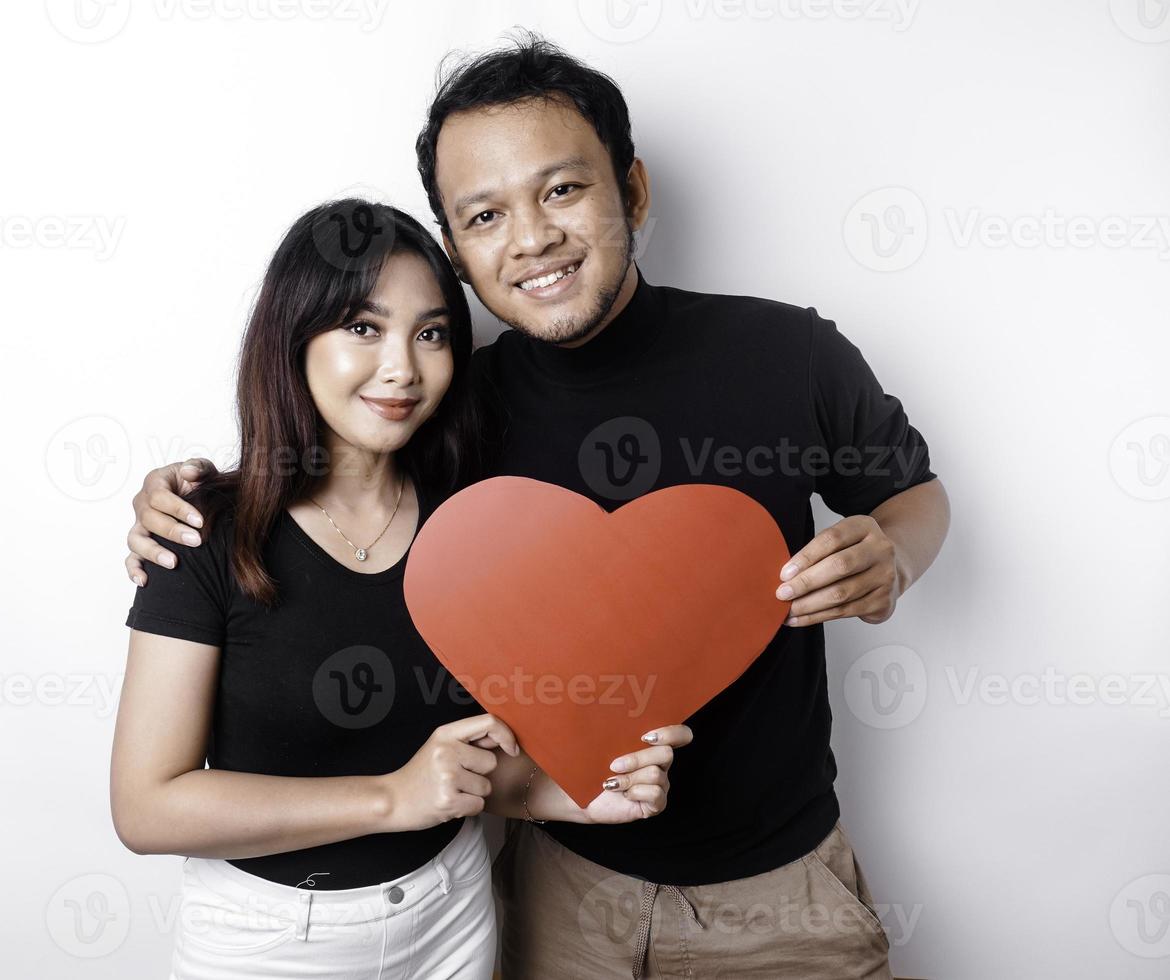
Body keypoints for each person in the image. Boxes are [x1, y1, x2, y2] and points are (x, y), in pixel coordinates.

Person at [125, 34, 952, 980]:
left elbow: (914, 497)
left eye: (562, 190)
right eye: (485, 214)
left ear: (632, 191)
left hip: (780, 889)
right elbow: (334, 503)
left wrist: (894, 553)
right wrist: (189, 498)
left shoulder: (788, 354)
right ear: (458, 253)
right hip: (552, 886)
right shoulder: (444, 409)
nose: (531, 238)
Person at [109, 198, 687, 980]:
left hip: (451, 913)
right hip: (271, 942)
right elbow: (146, 807)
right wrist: (390, 798)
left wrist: (581, 793)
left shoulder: (473, 521)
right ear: (294, 335)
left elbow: (471, 769)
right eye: (363, 328)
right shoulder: (204, 528)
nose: (402, 367)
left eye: (432, 333)